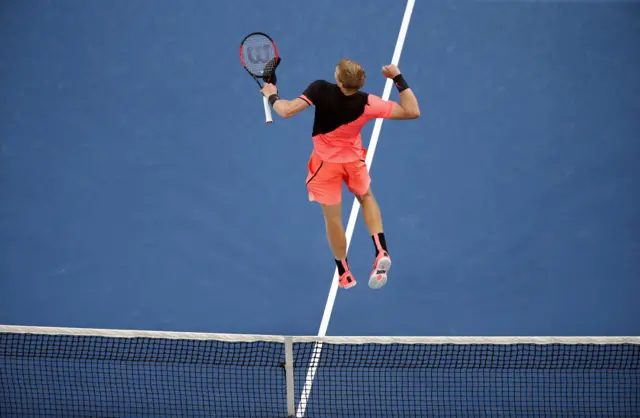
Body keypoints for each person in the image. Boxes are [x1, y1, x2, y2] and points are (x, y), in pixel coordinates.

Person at [260, 58, 420, 290]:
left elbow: (285, 111)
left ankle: (344, 272)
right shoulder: (368, 103)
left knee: (333, 219)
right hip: (353, 161)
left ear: (338, 80)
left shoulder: (319, 89)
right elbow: (412, 111)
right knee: (366, 198)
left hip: (326, 166)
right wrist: (397, 77)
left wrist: (271, 93)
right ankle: (381, 249)